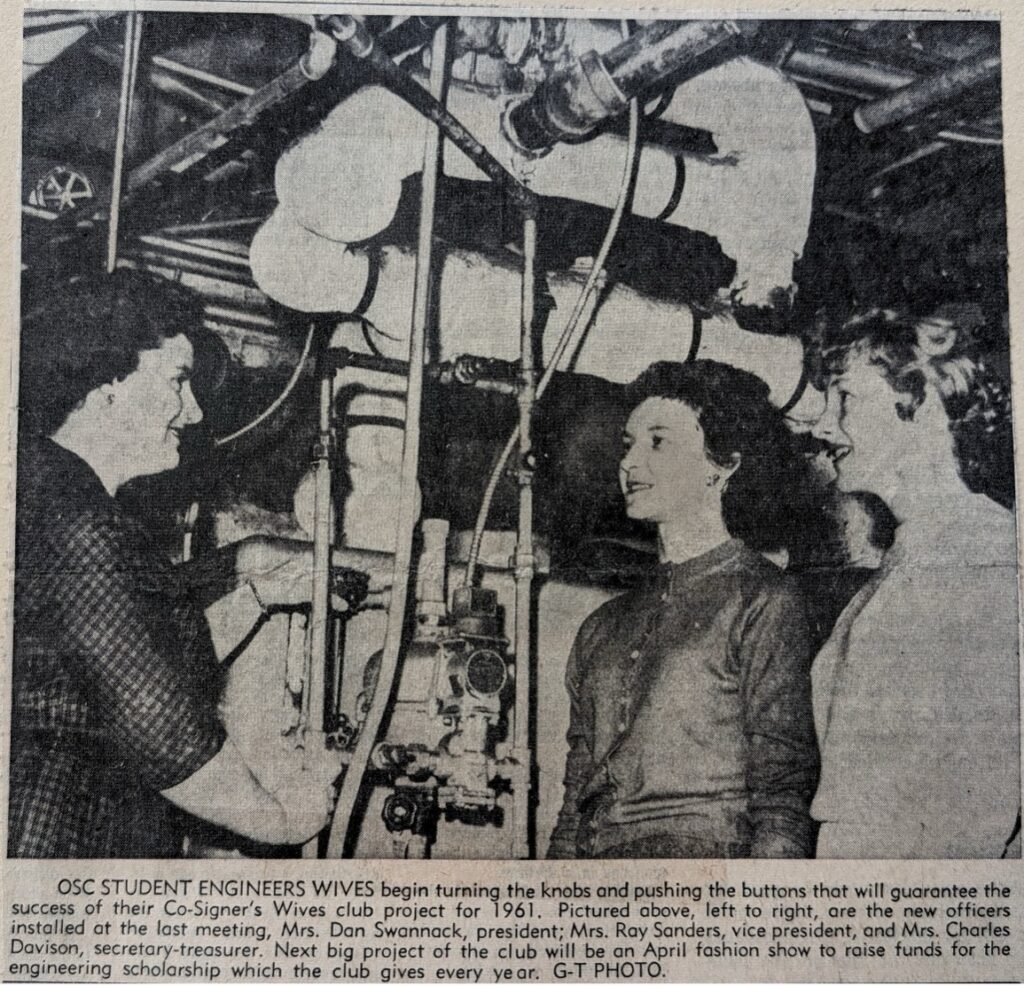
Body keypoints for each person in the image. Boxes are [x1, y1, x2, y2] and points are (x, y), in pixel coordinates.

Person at [10, 270, 338, 857]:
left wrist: (251, 587)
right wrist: (285, 818)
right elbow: (165, 736)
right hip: (57, 830)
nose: (190, 413)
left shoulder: (48, 495)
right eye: (177, 382)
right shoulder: (82, 525)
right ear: (105, 386)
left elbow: (129, 638)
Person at [547, 360, 820, 859]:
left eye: (658, 442)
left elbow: (782, 792)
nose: (630, 463)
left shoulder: (763, 599)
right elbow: (573, 805)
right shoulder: (601, 627)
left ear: (723, 465)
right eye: (628, 444)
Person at [810, 308, 1019, 858]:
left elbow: (978, 810)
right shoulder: (911, 557)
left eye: (846, 398)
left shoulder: (986, 559)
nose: (822, 425)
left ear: (922, 400)